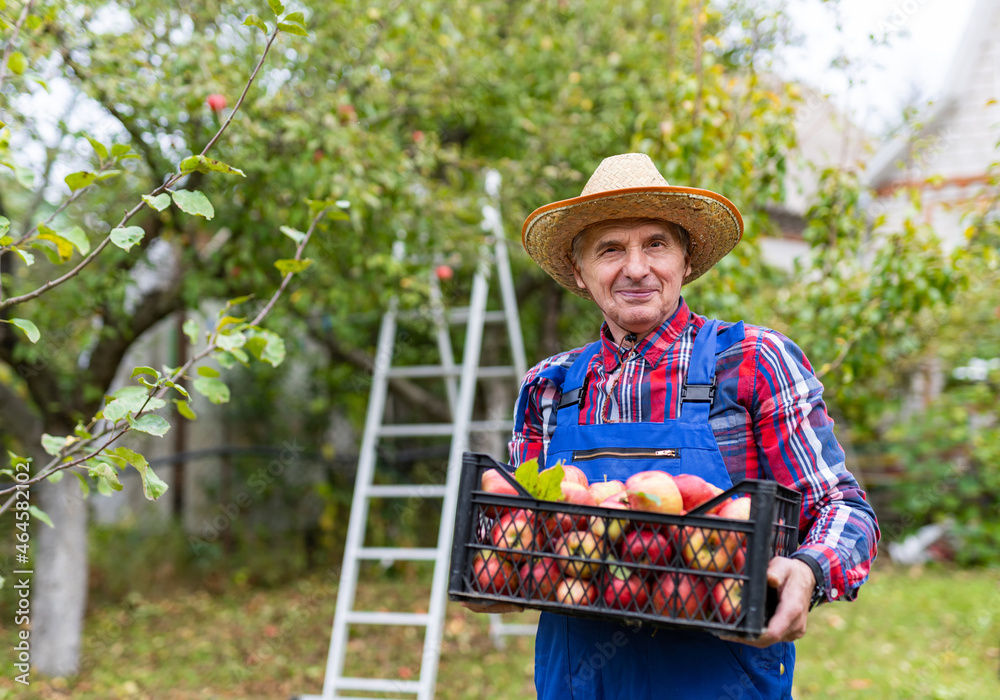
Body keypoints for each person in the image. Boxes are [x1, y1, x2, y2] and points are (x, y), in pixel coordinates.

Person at [467, 153, 880, 699]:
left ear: (686, 260)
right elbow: (525, 537)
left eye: (656, 244)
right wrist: (495, 570)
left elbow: (842, 507)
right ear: (578, 272)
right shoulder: (549, 386)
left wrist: (808, 569)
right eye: (610, 248)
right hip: (576, 683)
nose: (636, 267)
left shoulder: (753, 361)